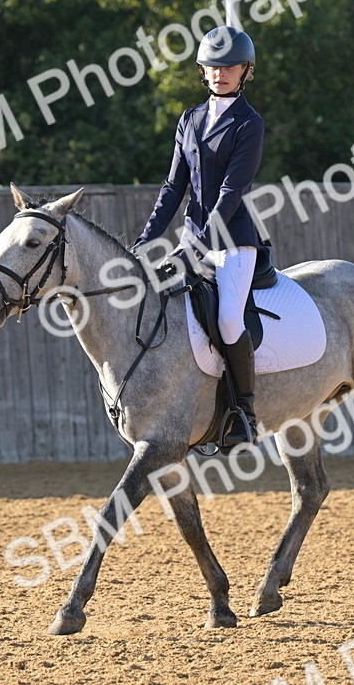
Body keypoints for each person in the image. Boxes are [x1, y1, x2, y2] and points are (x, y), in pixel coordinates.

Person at [132, 25, 265, 448]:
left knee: (228, 319)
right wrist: (146, 240)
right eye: (213, 66)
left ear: (246, 71)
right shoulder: (189, 119)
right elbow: (173, 189)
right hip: (192, 240)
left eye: (230, 67)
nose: (220, 73)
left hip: (232, 242)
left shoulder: (249, 123)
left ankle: (243, 411)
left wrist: (201, 247)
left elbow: (230, 192)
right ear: (202, 71)